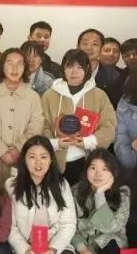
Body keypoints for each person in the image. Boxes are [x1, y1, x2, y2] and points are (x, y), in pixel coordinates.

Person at [4, 136, 79, 254]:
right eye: (32, 157)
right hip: (28, 247)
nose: (38, 162)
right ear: (24, 159)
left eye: (43, 157)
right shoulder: (11, 185)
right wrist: (25, 250)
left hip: (53, 244)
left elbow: (69, 224)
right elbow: (10, 227)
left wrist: (54, 248)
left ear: (51, 159)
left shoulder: (61, 184)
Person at [41, 49, 118, 186]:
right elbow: (43, 124)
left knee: (83, 196)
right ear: (63, 68)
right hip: (54, 160)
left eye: (79, 67)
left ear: (87, 68)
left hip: (86, 160)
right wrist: (55, 143)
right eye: (70, 67)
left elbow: (109, 126)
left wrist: (88, 142)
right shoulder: (49, 95)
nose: (74, 72)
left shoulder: (99, 95)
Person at [72, 148, 130, 254]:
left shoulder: (123, 192)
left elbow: (111, 227)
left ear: (113, 172)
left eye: (105, 169)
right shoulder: (75, 191)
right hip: (85, 246)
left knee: (110, 243)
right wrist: (81, 248)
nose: (98, 174)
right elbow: (70, 226)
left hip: (112, 247)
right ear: (86, 170)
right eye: (93, 168)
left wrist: (99, 195)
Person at [0, 48, 45, 180]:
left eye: (19, 64)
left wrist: (18, 149)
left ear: (25, 67)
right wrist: (1, 151)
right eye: (10, 63)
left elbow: (36, 127)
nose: (15, 68)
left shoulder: (33, 96)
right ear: (2, 66)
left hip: (23, 158)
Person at [79, 28, 125, 106]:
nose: (89, 48)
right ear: (78, 46)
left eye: (95, 44)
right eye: (85, 43)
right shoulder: (67, 70)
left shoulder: (115, 77)